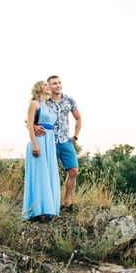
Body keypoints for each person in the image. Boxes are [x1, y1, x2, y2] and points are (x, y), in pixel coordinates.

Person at [34, 75, 81, 212]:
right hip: (48, 141)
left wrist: (75, 137)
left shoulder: (69, 100)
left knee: (73, 170)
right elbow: (29, 120)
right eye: (54, 83)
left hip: (65, 141)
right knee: (48, 173)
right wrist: (35, 127)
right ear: (49, 86)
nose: (58, 85)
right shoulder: (43, 101)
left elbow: (78, 118)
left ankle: (67, 202)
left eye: (59, 83)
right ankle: (47, 204)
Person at [22, 80, 61, 221]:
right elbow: (30, 123)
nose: (48, 87)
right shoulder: (34, 104)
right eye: (45, 85)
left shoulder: (49, 105)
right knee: (39, 176)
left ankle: (48, 209)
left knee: (48, 174)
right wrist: (35, 144)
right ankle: (37, 211)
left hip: (50, 143)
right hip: (39, 142)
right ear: (39, 88)